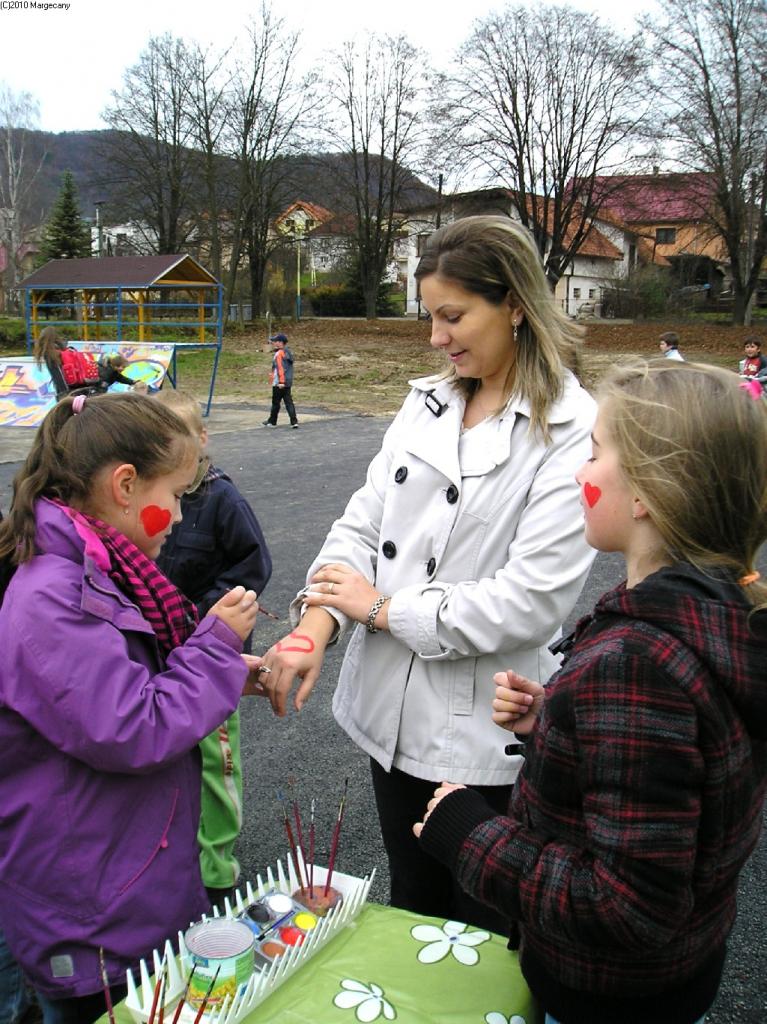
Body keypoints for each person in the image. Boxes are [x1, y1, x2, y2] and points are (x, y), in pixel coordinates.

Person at [258, 215, 597, 932]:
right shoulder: (427, 401)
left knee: (484, 937)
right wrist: (316, 627)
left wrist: (381, 611)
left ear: (514, 305)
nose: (436, 337)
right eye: (429, 316)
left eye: (453, 316)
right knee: (412, 915)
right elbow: (361, 525)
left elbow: (529, 601)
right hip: (391, 720)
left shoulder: (569, 428)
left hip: (485, 736)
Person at [414, 360, 767, 1024]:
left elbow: (626, 907)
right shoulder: (722, 614)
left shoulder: (637, 664)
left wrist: (468, 832)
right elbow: (684, 765)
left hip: (606, 1000)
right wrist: (558, 723)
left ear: (649, 493)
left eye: (596, 453)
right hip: (679, 976)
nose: (580, 473)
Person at [0, 392, 265, 1023]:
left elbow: (123, 684)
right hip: (91, 912)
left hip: (117, 878)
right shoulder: (55, 597)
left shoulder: (97, 571)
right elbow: (134, 728)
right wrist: (216, 646)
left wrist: (229, 673)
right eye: (174, 494)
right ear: (124, 485)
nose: (177, 515)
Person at [155, 388, 273, 908]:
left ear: (201, 439)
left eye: (178, 439)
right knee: (167, 755)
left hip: (212, 652)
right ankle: (175, 850)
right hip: (162, 653)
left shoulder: (223, 499)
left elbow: (253, 565)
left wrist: (207, 616)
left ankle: (217, 863)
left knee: (214, 760)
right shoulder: (150, 498)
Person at [262, 332, 299, 428]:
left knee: (276, 403)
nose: (273, 343)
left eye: (275, 341)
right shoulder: (288, 352)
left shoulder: (279, 354)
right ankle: (294, 421)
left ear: (281, 342)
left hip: (279, 382)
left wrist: (281, 381)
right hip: (288, 381)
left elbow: (280, 368)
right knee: (288, 402)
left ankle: (272, 421)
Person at [33, 326, 70, 400]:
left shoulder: (50, 353)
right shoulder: (62, 349)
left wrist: (64, 394)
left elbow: (58, 376)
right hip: (73, 384)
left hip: (65, 390)